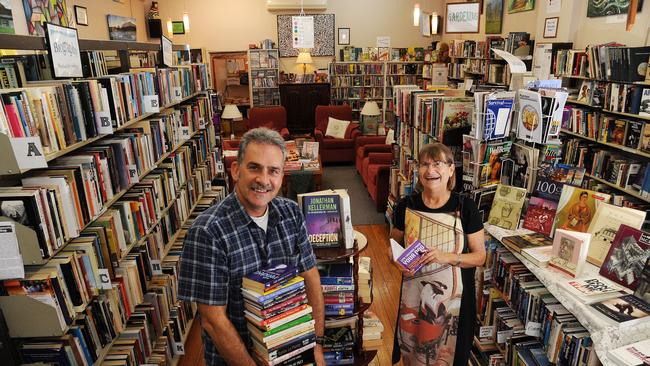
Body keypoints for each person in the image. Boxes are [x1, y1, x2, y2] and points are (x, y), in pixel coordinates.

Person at [178, 127, 325, 366]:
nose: (263, 180)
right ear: (236, 170)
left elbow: (311, 278)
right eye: (254, 167)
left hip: (293, 352)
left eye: (273, 171)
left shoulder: (292, 213)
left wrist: (316, 345)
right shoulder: (207, 232)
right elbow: (213, 321)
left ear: (281, 176)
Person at [390, 143, 486, 366]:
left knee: (450, 356)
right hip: (414, 296)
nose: (430, 170)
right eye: (425, 164)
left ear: (451, 170)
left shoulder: (466, 207)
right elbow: (393, 244)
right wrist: (395, 260)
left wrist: (447, 257)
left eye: (438, 164)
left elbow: (480, 257)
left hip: (456, 303)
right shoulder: (406, 205)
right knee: (414, 353)